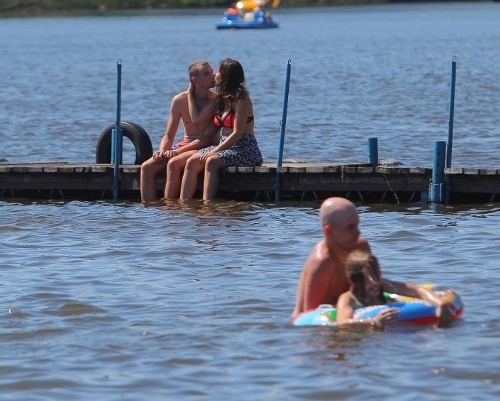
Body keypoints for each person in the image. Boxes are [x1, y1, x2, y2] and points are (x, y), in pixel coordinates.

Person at [291, 197, 455, 324]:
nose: (358, 232)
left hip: (361, 307)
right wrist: (366, 321)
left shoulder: (360, 246)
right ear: (329, 231)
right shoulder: (322, 262)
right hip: (334, 317)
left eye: (357, 225)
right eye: (350, 227)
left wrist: (439, 303)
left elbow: (377, 281)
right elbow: (310, 315)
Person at [179, 58, 262, 201]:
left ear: (226, 77)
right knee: (192, 161)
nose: (214, 74)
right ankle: (184, 204)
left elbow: (237, 133)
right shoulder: (222, 98)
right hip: (225, 146)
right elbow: (202, 123)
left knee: (211, 161)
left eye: (218, 71)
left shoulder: (241, 99)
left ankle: (207, 205)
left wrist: (214, 150)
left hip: (244, 147)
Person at [139, 60, 216, 201]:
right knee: (146, 167)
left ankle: (170, 209)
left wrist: (177, 152)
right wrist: (162, 151)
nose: (213, 75)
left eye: (212, 71)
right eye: (207, 73)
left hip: (204, 146)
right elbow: (169, 135)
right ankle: (148, 212)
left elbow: (205, 138)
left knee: (173, 163)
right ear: (194, 79)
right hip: (185, 144)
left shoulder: (215, 101)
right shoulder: (179, 100)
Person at [335, 250, 456, 328]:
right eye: (367, 278)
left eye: (376, 275)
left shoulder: (384, 285)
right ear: (354, 280)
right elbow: (343, 322)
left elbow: (418, 290)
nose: (375, 282)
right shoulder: (347, 299)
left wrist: (440, 303)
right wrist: (373, 321)